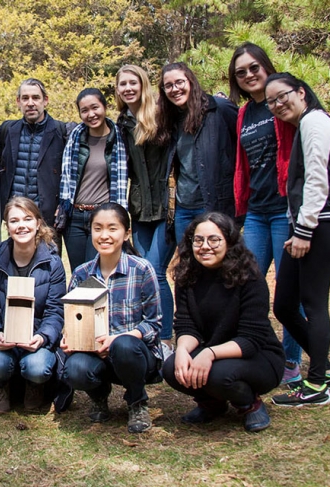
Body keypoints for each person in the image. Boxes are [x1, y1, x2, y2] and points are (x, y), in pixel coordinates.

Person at [228, 43, 330, 385]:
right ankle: (263, 351)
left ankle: (292, 362)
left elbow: (329, 126)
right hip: (257, 210)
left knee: (297, 294)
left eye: (253, 67)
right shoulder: (244, 113)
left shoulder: (288, 102)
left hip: (287, 210)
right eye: (240, 71)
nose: (248, 75)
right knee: (248, 283)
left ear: (266, 67)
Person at [264, 73, 330, 407]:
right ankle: (325, 369)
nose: (277, 105)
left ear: (301, 92)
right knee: (284, 304)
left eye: (282, 96)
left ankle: (316, 386)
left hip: (320, 225)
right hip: (304, 224)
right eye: (271, 102)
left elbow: (317, 180)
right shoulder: (303, 126)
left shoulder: (314, 121)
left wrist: (303, 231)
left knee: (314, 305)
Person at [163, 212, 285, 432]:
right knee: (172, 367)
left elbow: (251, 339)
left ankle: (249, 404)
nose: (205, 246)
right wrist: (181, 349)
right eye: (198, 240)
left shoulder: (250, 277)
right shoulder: (187, 274)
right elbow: (186, 324)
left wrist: (208, 354)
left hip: (258, 356)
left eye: (214, 240)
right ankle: (211, 404)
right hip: (211, 351)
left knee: (219, 375)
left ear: (229, 241)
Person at [61, 203, 162, 433]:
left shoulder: (142, 270)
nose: (104, 235)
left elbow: (154, 324)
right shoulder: (82, 274)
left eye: (112, 228)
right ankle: (99, 396)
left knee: (124, 345)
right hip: (95, 354)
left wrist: (119, 338)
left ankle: (137, 401)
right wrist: (68, 338)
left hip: (135, 356)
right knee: (74, 368)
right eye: (98, 228)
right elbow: (72, 319)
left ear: (126, 233)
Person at [0, 197, 66, 413]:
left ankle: (34, 387)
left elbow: (56, 311)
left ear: (37, 223)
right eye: (14, 221)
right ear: (7, 227)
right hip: (4, 340)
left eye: (27, 219)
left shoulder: (53, 264)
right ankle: (0, 387)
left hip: (36, 340)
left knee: (37, 367)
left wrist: (43, 337)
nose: (21, 225)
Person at [115, 65, 175, 357]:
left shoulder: (163, 114)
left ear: (143, 84)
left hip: (166, 208)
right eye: (122, 84)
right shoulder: (122, 122)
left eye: (132, 82)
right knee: (144, 273)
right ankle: (149, 334)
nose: (127, 88)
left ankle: (164, 340)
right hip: (139, 210)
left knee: (156, 271)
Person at [154, 62, 239, 244]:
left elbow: (242, 146)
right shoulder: (171, 120)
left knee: (218, 263)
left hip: (213, 204)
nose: (175, 89)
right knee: (188, 264)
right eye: (168, 86)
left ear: (190, 81)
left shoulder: (219, 109)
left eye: (179, 82)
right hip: (183, 208)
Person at [58, 88, 129, 271]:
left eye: (95, 107)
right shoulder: (75, 138)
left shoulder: (120, 138)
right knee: (79, 272)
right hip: (74, 216)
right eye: (84, 110)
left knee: (96, 272)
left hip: (102, 216)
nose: (91, 114)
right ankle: (78, 302)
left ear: (105, 107)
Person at [0, 78, 73, 228]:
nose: (30, 103)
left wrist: (63, 205)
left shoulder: (62, 132)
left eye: (36, 97)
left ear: (45, 100)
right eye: (25, 98)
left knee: (48, 252)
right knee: (17, 252)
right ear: (18, 102)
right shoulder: (8, 130)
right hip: (16, 216)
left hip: (48, 218)